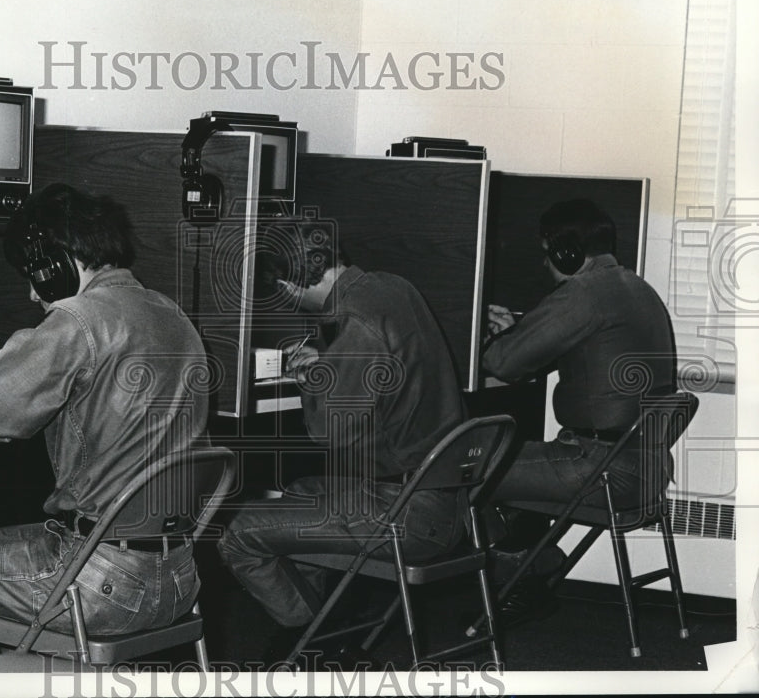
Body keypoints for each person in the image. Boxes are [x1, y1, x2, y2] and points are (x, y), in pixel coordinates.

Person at [0, 184, 210, 673]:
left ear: (58, 262)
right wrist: (32, 356)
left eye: (34, 275)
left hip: (99, 585)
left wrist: (4, 358)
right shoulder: (170, 312)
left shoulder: (76, 318)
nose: (31, 292)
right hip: (178, 578)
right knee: (9, 535)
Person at [217, 218, 468, 663]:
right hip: (443, 497)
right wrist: (331, 363)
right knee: (301, 490)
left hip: (406, 513)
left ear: (290, 285)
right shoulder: (392, 286)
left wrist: (312, 377)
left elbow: (328, 431)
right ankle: (323, 631)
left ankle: (315, 636)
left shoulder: (355, 317)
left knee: (235, 531)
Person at [482, 198, 678, 618]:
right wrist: (521, 333)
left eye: (545, 253)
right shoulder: (637, 288)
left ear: (565, 252)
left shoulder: (583, 293)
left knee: (469, 465)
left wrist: (490, 338)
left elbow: (502, 365)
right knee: (515, 457)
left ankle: (520, 573)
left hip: (598, 469)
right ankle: (528, 570)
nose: (545, 264)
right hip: (645, 468)